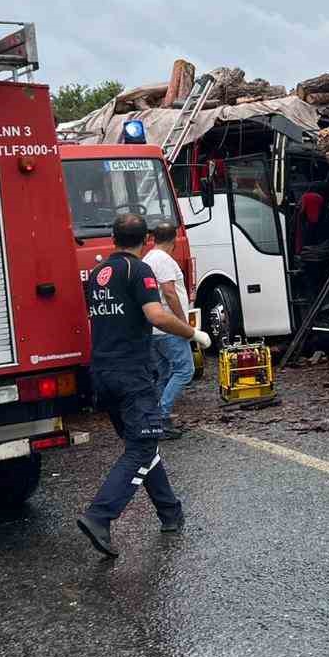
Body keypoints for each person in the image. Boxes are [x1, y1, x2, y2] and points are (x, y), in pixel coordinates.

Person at [77, 213, 212, 558]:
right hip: (132, 374)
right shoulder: (137, 270)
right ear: (145, 239)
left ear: (113, 236)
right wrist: (192, 332)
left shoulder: (98, 273)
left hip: (103, 372)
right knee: (141, 447)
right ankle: (100, 515)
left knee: (144, 444)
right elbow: (156, 315)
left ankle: (170, 512)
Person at [143, 221, 196, 435]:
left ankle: (153, 419)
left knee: (164, 374)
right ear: (174, 240)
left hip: (154, 329)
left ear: (154, 238)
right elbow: (170, 292)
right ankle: (162, 416)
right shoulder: (162, 260)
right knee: (185, 370)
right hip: (168, 328)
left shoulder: (147, 259)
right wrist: (183, 324)